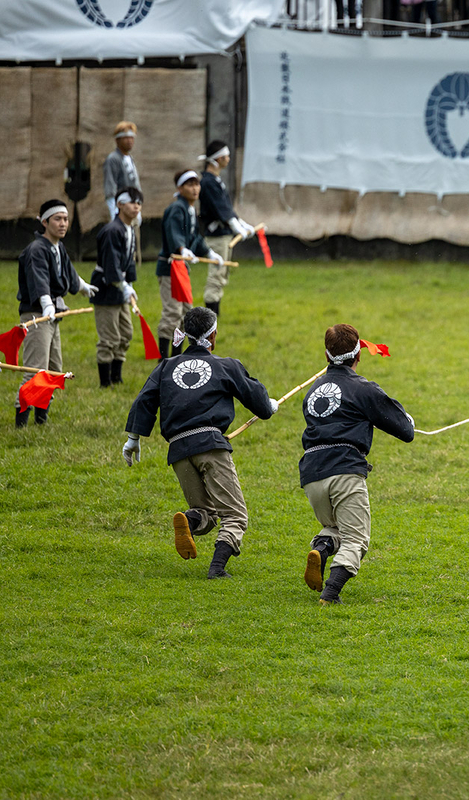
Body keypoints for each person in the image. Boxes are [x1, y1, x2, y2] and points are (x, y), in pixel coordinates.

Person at [122, 306, 278, 579]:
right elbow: (259, 402)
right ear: (213, 335)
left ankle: (190, 520)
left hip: (179, 450)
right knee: (235, 515)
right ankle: (217, 569)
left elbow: (144, 400)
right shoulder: (226, 365)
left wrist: (133, 438)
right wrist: (269, 406)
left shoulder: (166, 367)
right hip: (210, 446)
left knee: (205, 511)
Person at [300, 324, 415, 604]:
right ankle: (330, 594)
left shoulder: (312, 391)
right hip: (345, 471)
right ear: (358, 356)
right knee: (356, 539)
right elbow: (406, 431)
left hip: (312, 475)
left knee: (337, 528)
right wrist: (408, 419)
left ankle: (321, 549)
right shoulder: (363, 388)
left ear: (327, 356)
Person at [15, 200, 98, 426]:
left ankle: (41, 417)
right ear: (45, 222)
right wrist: (47, 304)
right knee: (35, 369)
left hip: (53, 315)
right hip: (37, 316)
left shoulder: (57, 246)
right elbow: (39, 278)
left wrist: (83, 287)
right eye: (57, 219)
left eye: (66, 219)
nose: (63, 224)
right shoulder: (36, 249)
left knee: (53, 369)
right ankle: (20, 420)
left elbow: (68, 274)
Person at [157, 170, 222, 359]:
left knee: (186, 314)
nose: (195, 189)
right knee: (172, 313)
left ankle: (177, 356)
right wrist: (181, 249)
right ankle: (163, 359)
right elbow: (174, 232)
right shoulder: (176, 208)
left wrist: (209, 252)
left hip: (181, 269)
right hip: (170, 268)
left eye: (197, 184)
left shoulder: (190, 209)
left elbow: (194, 237)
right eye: (190, 184)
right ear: (180, 188)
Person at [91, 187, 143, 388]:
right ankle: (105, 382)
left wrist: (129, 283)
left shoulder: (129, 228)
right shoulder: (112, 230)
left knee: (126, 332)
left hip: (121, 289)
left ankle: (116, 376)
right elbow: (111, 262)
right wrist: (123, 285)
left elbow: (128, 261)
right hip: (106, 288)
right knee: (109, 336)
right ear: (119, 204)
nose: (136, 206)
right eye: (132, 202)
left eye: (139, 202)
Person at [198, 140, 255, 319]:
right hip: (216, 237)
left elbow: (227, 209)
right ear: (220, 158)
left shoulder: (215, 180)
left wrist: (242, 225)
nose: (229, 159)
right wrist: (237, 227)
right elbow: (220, 210)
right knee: (215, 277)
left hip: (223, 235)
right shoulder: (208, 182)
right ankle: (211, 320)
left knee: (221, 277)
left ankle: (215, 319)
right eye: (227, 156)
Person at [103, 121, 142, 268]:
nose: (130, 140)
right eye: (126, 137)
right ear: (117, 139)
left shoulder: (129, 159)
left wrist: (138, 205)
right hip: (121, 206)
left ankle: (129, 268)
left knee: (130, 241)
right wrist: (114, 209)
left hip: (132, 205)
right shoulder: (113, 159)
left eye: (132, 137)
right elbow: (110, 186)